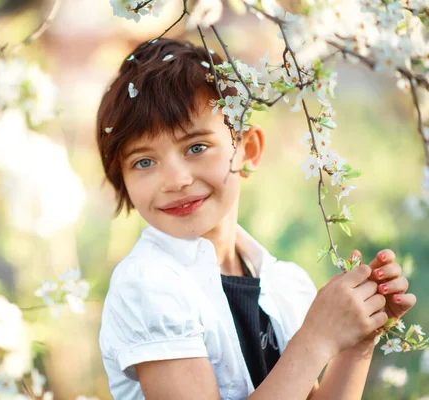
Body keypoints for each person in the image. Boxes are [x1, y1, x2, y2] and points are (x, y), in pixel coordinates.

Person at [96, 38, 416, 400]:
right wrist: (315, 339)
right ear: (121, 177)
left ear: (247, 150)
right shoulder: (148, 285)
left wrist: (358, 337)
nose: (175, 180)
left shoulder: (280, 283)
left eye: (196, 147)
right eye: (144, 162)